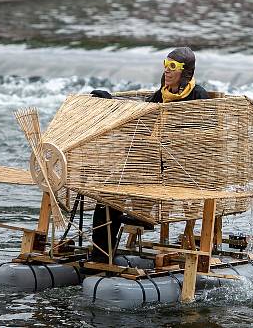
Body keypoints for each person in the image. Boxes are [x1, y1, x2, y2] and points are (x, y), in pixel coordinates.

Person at [89, 47, 208, 261]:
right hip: (151, 163)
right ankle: (100, 257)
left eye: (173, 67)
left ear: (186, 71)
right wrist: (111, 100)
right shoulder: (161, 94)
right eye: (165, 64)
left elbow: (207, 133)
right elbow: (140, 114)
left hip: (181, 169)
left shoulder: (197, 94)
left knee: (128, 185)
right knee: (107, 196)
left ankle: (143, 214)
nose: (167, 71)